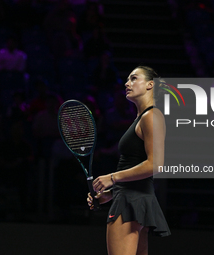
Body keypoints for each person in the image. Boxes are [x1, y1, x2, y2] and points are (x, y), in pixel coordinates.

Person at [87, 66, 171, 255]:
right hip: (135, 200)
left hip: (130, 204)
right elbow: (139, 168)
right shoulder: (143, 117)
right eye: (127, 79)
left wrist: (112, 177)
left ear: (151, 84)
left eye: (134, 78)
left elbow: (155, 164)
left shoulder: (151, 116)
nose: (127, 83)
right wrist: (111, 194)